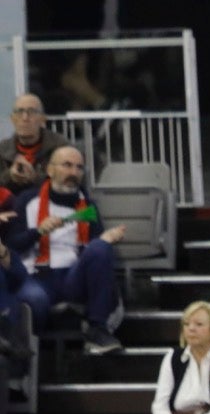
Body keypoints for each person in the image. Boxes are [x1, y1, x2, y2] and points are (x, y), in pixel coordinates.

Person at [2, 142, 128, 352]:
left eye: (79, 168)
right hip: (36, 275)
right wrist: (37, 232)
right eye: (67, 165)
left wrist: (105, 239)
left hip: (72, 276)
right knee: (34, 298)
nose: (73, 172)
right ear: (49, 170)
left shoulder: (87, 205)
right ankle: (29, 352)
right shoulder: (27, 200)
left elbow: (93, 249)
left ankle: (97, 329)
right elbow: (12, 246)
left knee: (101, 248)